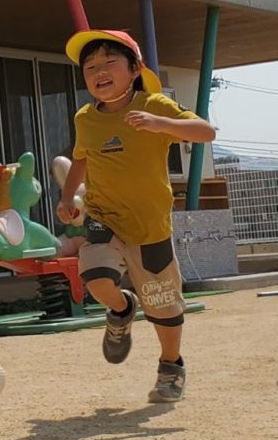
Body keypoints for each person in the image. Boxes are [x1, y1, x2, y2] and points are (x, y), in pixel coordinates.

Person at [54, 28, 216, 403]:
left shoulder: (154, 105)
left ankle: (171, 366)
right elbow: (81, 158)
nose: (99, 71)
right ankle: (122, 308)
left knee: (163, 306)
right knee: (96, 279)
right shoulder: (85, 118)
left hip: (150, 227)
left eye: (110, 62)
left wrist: (162, 124)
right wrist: (66, 197)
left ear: (134, 69)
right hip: (104, 217)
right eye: (90, 67)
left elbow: (205, 132)